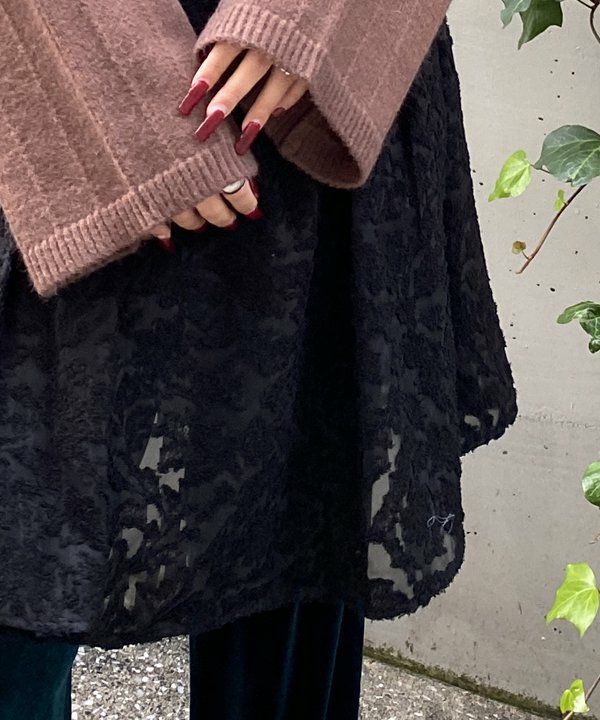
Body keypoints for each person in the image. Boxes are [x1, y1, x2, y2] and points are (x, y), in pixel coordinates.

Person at [0, 0, 518, 717]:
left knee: (293, 573)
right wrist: (99, 71)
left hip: (324, 84)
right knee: (21, 592)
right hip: (40, 62)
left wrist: (314, 16)